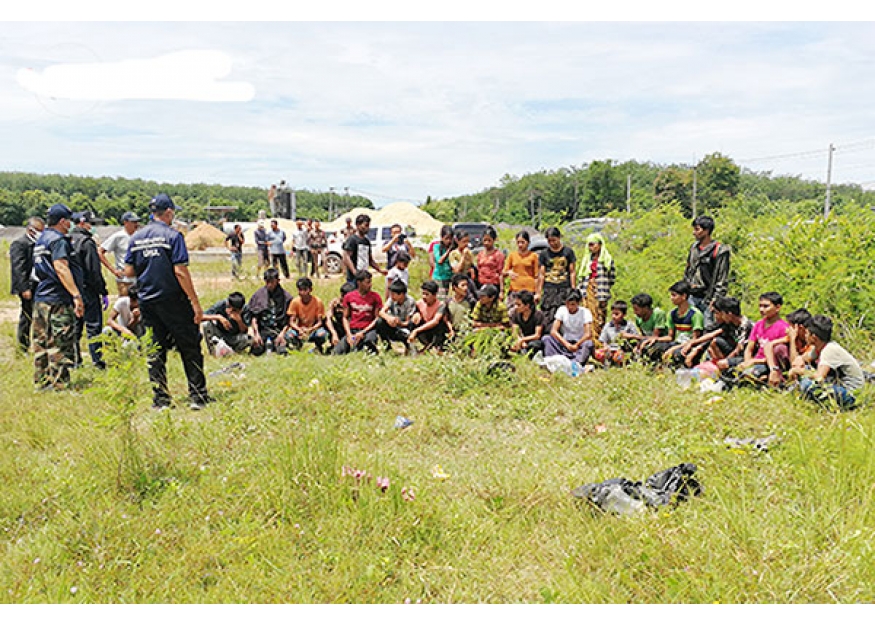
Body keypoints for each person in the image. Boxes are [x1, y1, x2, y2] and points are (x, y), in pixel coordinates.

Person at [124, 193, 212, 410]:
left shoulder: (136, 238)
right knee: (189, 346)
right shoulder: (173, 236)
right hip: (173, 300)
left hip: (147, 301)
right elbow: (180, 272)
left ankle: (161, 399)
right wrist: (195, 303)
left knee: (155, 350)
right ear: (169, 212)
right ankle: (197, 397)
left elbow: (128, 271)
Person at [31, 204, 85, 390]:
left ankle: (42, 381)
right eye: (69, 220)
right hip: (57, 299)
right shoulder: (58, 240)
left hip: (41, 298)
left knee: (41, 343)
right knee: (61, 342)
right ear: (63, 221)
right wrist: (76, 295)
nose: (70, 224)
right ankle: (60, 384)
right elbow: (61, 267)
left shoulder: (41, 240)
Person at [796, 315, 864, 409]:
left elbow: (819, 378)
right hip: (838, 387)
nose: (805, 336)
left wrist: (798, 371)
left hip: (850, 394)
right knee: (807, 372)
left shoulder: (829, 350)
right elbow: (804, 358)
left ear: (814, 337)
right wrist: (799, 362)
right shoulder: (820, 347)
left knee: (807, 385)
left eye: (807, 333)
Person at [70, 212, 109, 369]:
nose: (91, 227)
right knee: (93, 326)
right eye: (89, 224)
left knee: (75, 327)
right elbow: (93, 270)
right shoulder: (87, 242)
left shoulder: (66, 240)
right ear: (81, 223)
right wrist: (103, 290)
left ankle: (74, 360)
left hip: (71, 290)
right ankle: (97, 360)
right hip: (88, 290)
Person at [639, 281, 704, 367]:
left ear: (684, 296)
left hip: (688, 346)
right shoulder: (672, 313)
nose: (671, 298)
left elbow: (695, 340)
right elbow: (670, 337)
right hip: (677, 343)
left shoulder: (695, 314)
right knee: (650, 346)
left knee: (676, 354)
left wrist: (673, 348)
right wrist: (655, 339)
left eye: (674, 295)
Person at [683, 215, 731, 327]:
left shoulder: (719, 250)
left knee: (708, 327)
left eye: (697, 229)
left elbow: (722, 277)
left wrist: (716, 299)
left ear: (706, 230)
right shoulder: (694, 248)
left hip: (708, 298)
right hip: (692, 295)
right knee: (692, 327)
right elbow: (688, 269)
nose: (694, 233)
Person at [737, 291, 791, 387]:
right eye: (760, 306)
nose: (761, 309)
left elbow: (780, 355)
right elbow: (749, 348)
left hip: (770, 364)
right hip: (756, 361)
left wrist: (754, 361)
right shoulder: (758, 324)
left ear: (777, 308)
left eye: (766, 306)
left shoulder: (784, 328)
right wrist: (747, 362)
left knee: (748, 376)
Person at [9, 216, 45, 352]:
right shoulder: (20, 243)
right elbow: (18, 268)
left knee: (39, 315)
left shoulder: (38, 244)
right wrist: (24, 288)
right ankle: (23, 346)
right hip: (27, 285)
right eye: (39, 230)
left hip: (38, 283)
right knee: (27, 315)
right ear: (30, 230)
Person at [577, 232, 616, 342]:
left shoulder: (606, 259)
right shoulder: (587, 260)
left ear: (599, 244)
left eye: (593, 244)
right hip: (588, 290)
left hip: (601, 290)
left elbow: (611, 277)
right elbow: (583, 277)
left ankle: (600, 340)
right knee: (588, 316)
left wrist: (604, 287)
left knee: (599, 315)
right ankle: (590, 340)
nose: (591, 247)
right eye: (589, 245)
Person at [247, 267, 294, 356]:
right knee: (256, 350)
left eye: (272, 282)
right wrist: (256, 334)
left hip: (278, 330)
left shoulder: (286, 297)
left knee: (281, 351)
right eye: (267, 282)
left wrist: (282, 334)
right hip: (263, 330)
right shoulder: (258, 295)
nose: (269, 285)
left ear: (278, 280)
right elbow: (254, 317)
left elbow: (289, 320)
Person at [334, 270, 382, 355]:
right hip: (353, 330)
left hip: (368, 330)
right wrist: (349, 334)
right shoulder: (349, 297)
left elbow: (377, 318)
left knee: (369, 342)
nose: (370, 285)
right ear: (359, 283)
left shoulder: (375, 297)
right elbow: (345, 317)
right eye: (367, 282)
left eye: (370, 282)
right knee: (337, 352)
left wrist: (363, 332)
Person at [537, 227, 576, 327]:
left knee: (564, 312)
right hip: (549, 288)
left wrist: (573, 288)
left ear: (559, 238)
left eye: (554, 240)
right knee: (548, 313)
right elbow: (542, 274)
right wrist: (538, 292)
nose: (552, 243)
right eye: (549, 241)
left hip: (564, 287)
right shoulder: (544, 254)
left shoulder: (568, 252)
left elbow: (572, 271)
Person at [543, 289, 593, 366]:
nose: (569, 307)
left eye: (572, 304)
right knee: (546, 339)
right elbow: (553, 331)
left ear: (578, 303)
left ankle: (576, 362)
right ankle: (553, 360)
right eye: (567, 304)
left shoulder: (585, 312)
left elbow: (588, 334)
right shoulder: (562, 310)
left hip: (579, 344)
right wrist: (566, 344)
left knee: (588, 344)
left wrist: (576, 345)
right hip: (565, 342)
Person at [281, 277, 329, 353]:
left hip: (313, 330)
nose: (302, 293)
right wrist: (299, 330)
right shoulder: (295, 302)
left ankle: (318, 347)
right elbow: (291, 322)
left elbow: (320, 322)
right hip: (300, 329)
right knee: (289, 335)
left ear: (310, 290)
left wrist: (310, 329)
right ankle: (297, 345)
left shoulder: (318, 302)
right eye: (300, 290)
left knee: (322, 334)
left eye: (305, 290)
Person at [99, 211, 140, 296]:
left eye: (137, 222)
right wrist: (113, 270)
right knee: (125, 304)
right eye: (133, 222)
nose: (136, 224)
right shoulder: (118, 236)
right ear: (125, 222)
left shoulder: (140, 236)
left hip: (140, 278)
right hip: (124, 280)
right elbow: (100, 251)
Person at [376, 279, 419, 352]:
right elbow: (381, 312)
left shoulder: (410, 302)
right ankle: (387, 346)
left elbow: (408, 322)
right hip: (393, 326)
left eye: (393, 294)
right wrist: (389, 318)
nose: (391, 296)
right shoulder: (391, 299)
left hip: (405, 328)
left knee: (410, 328)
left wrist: (399, 323)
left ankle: (408, 346)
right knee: (380, 322)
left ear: (401, 294)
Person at [502, 230, 539, 315]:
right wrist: (508, 273)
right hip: (515, 290)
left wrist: (537, 293)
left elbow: (537, 276)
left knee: (528, 314)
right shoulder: (512, 255)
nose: (520, 245)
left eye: (523, 242)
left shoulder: (533, 256)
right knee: (511, 314)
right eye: (518, 242)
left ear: (528, 242)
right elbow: (504, 272)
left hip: (529, 290)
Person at [342, 214, 386, 284]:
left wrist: (379, 270)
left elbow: (370, 260)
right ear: (358, 225)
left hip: (364, 277)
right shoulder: (352, 239)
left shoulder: (366, 241)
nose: (367, 228)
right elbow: (346, 256)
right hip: (354, 278)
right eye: (365, 225)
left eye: (368, 225)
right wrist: (355, 272)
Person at [623, 293, 669, 358]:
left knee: (649, 348)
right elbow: (644, 336)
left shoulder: (658, 314)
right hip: (647, 340)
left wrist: (633, 336)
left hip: (660, 341)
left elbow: (654, 337)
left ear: (646, 308)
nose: (634, 312)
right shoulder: (638, 319)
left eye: (636, 309)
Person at [407, 280, 449, 351]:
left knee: (440, 325)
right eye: (423, 294)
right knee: (412, 322)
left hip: (435, 332)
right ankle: (411, 347)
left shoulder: (441, 305)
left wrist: (416, 331)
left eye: (427, 294)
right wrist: (415, 315)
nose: (424, 297)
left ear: (434, 295)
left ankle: (435, 346)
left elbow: (435, 321)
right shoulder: (419, 303)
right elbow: (409, 317)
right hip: (424, 331)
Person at [595, 300, 637, 367]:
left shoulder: (629, 325)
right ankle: (608, 362)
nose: (614, 316)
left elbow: (636, 338)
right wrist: (605, 346)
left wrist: (628, 337)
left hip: (622, 350)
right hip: (610, 349)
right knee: (597, 353)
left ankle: (618, 363)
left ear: (624, 315)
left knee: (619, 356)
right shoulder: (608, 325)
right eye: (613, 314)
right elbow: (603, 340)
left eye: (617, 314)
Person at [508, 290, 545, 358]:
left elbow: (537, 335)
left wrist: (523, 340)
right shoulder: (515, 313)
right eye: (515, 304)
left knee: (534, 345)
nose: (516, 307)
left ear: (527, 306)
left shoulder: (538, 315)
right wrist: (519, 340)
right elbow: (515, 331)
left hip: (532, 340)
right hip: (520, 339)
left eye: (518, 305)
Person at [326, 282, 357, 351]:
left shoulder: (355, 304)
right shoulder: (335, 303)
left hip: (351, 330)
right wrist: (333, 333)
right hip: (339, 329)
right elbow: (328, 317)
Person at [445, 273, 473, 343]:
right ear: (455, 287)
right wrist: (451, 330)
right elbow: (446, 319)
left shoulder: (470, 302)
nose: (466, 288)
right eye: (463, 285)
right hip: (452, 332)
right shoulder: (448, 302)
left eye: (467, 285)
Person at [476, 226, 505, 294]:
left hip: (493, 286)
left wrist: (502, 291)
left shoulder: (498, 255)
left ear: (494, 240)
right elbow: (479, 269)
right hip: (481, 285)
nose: (486, 243)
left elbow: (501, 273)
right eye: (485, 240)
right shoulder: (480, 254)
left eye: (489, 240)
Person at [431, 225, 455, 297]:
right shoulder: (437, 247)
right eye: (446, 238)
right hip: (439, 278)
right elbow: (440, 261)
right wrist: (449, 250)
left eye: (450, 239)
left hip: (450, 278)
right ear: (442, 238)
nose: (449, 241)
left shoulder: (454, 249)